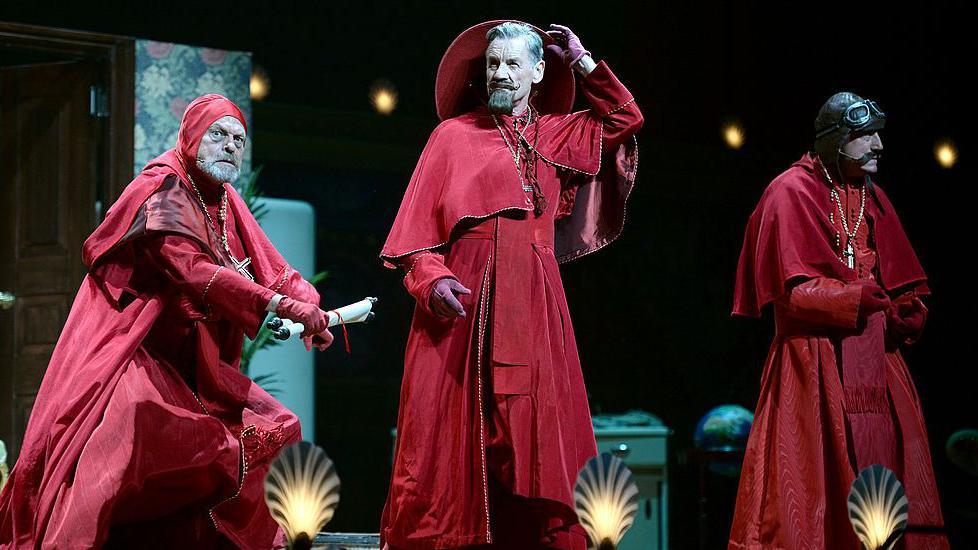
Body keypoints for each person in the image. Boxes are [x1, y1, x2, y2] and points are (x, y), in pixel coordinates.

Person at [0, 94, 333, 549]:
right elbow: (192, 269)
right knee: (122, 435)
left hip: (193, 357)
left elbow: (271, 266)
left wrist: (311, 306)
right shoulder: (164, 189)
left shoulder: (223, 199)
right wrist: (280, 305)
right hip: (136, 346)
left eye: (238, 139)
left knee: (277, 426)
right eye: (218, 135)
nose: (230, 146)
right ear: (193, 136)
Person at [379, 21, 642, 549]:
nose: (498, 73)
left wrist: (584, 59)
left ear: (538, 72)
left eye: (511, 64)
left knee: (536, 434)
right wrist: (433, 282)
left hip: (534, 301)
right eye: (492, 65)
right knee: (449, 436)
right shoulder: (451, 137)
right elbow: (413, 245)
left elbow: (625, 117)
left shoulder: (557, 131)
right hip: (465, 302)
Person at [729, 92, 948, 549]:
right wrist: (855, 298)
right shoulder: (789, 191)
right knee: (812, 492)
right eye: (865, 136)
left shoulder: (872, 195)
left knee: (885, 497)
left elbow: (901, 279)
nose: (878, 146)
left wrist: (907, 309)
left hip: (875, 365)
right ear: (834, 141)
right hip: (813, 366)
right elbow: (789, 295)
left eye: (877, 136)